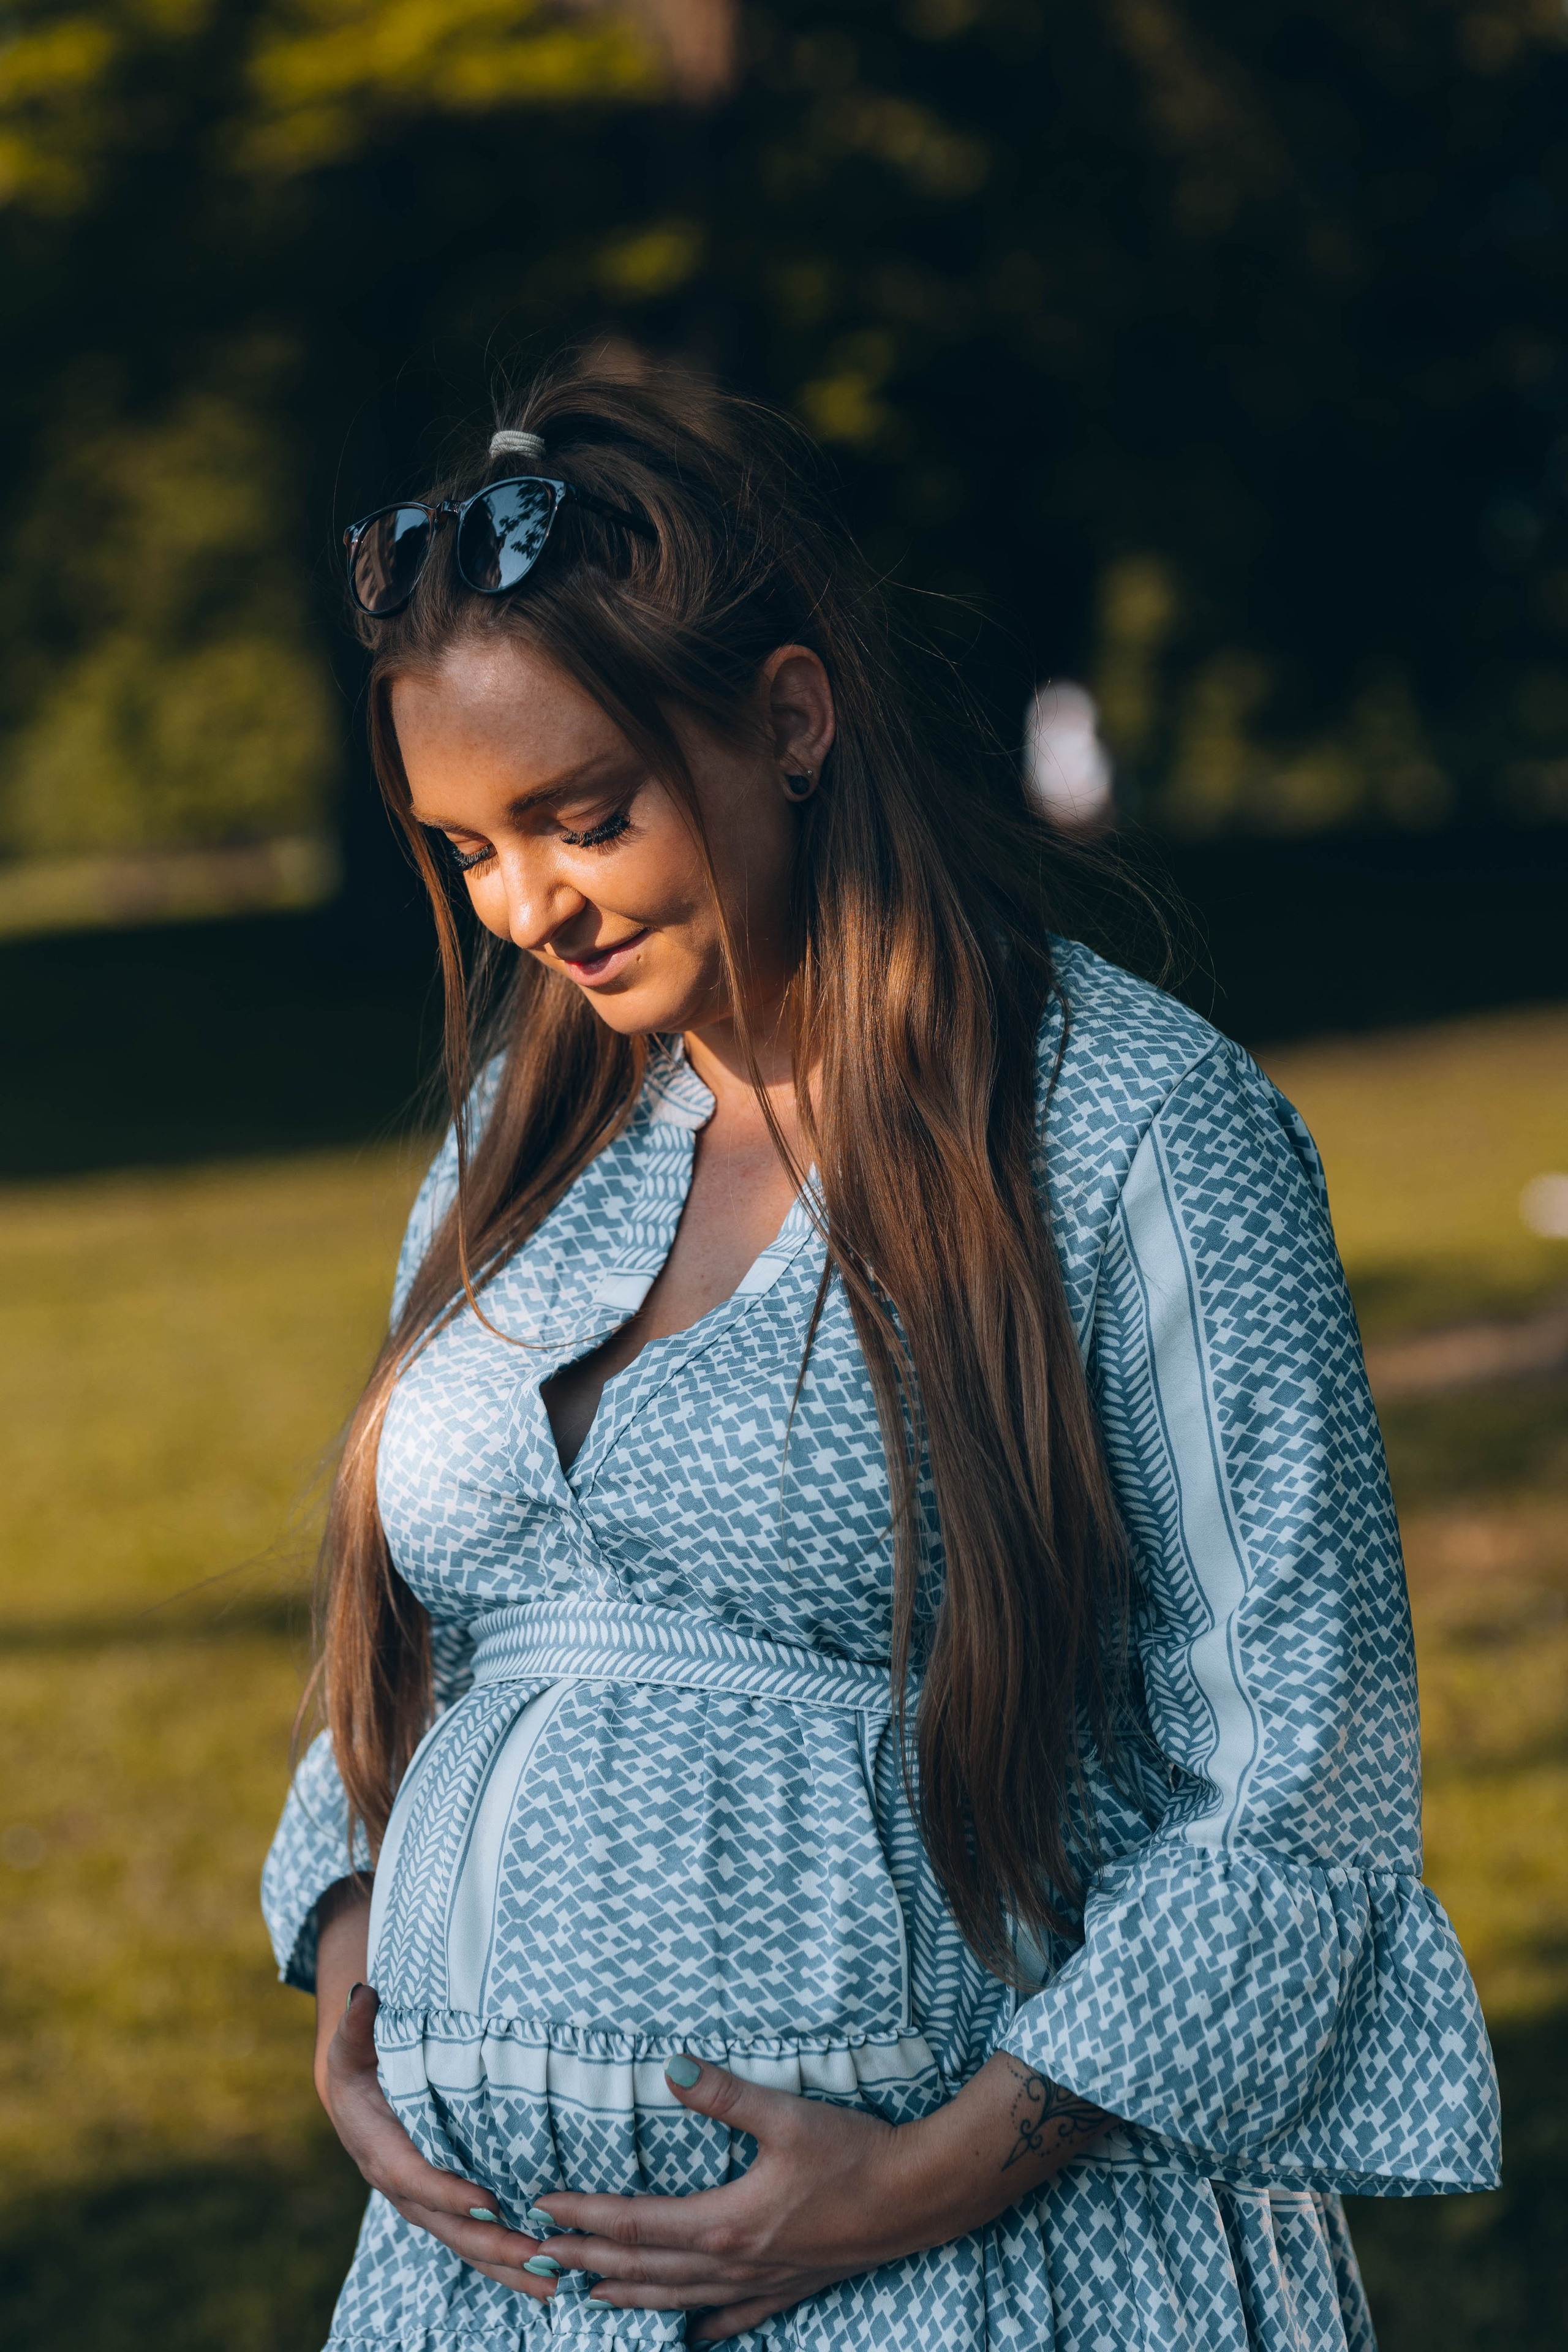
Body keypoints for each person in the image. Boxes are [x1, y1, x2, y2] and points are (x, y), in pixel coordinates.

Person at [263, 358, 1498, 2351]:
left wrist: (913, 2187)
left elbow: (1300, 1779)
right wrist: (350, 1954)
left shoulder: (1124, 1129)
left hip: (975, 2277)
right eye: (470, 847)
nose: (530, 909)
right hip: (487, 2291)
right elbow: (420, 1638)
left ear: (791, 716)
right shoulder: (520, 1137)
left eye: (585, 817)